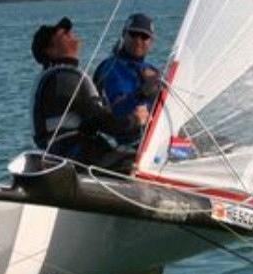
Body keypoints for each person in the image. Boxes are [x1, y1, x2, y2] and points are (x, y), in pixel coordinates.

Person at [30, 16, 148, 169]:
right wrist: (136, 119)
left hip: (62, 154)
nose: (68, 32)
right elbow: (104, 121)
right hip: (75, 155)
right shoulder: (65, 78)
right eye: (62, 33)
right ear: (50, 50)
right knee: (142, 160)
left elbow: (92, 121)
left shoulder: (51, 77)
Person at [93, 13, 161, 146]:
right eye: (133, 34)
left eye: (144, 36)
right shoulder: (110, 68)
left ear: (151, 42)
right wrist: (142, 92)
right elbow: (115, 110)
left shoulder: (152, 70)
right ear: (124, 35)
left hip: (154, 140)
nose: (138, 40)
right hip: (125, 143)